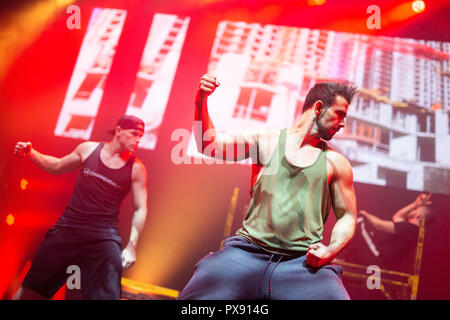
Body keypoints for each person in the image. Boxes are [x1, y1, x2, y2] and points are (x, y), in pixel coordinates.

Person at [178, 74, 358, 300]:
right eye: (340, 114)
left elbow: (347, 217)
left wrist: (330, 250)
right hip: (247, 253)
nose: (343, 123)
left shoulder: (336, 163)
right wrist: (201, 101)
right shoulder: (265, 141)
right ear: (319, 108)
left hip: (301, 264)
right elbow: (209, 145)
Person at [13, 115, 148, 300]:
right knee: (30, 291)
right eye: (134, 134)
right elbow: (57, 165)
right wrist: (31, 153)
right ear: (118, 131)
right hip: (68, 229)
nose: (138, 140)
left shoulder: (137, 169)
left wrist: (132, 246)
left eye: (141, 136)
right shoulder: (88, 149)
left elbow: (140, 208)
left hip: (103, 237)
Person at [339, 193, 432, 270]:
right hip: (378, 260)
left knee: (360, 220)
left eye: (415, 209)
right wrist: (415, 203)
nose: (413, 210)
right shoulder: (412, 231)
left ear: (418, 216)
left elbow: (379, 225)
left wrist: (364, 213)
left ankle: (339, 252)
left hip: (378, 258)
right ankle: (344, 257)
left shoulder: (411, 229)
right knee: (365, 234)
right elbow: (397, 217)